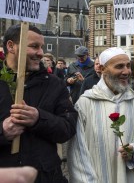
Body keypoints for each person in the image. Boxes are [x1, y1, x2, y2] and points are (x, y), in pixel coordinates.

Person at [0, 24, 77, 183]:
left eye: (41, 47)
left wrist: (39, 118)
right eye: (34, 46)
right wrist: (2, 132)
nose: (41, 53)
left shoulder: (55, 84)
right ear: (11, 46)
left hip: (45, 176)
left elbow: (68, 128)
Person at [68, 47, 134, 183]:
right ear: (103, 69)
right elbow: (77, 152)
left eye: (128, 66)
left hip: (128, 176)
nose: (126, 71)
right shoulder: (85, 103)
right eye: (119, 66)